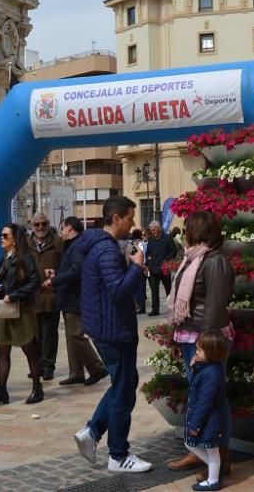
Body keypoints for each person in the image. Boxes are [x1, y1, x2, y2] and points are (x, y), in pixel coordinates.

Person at [73, 196, 152, 473]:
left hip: (108, 327)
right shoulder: (106, 250)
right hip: (114, 331)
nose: (133, 223)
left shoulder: (98, 245)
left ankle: (92, 432)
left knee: (123, 385)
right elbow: (118, 290)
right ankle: (118, 455)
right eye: (130, 218)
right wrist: (137, 266)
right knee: (123, 392)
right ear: (116, 218)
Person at [164, 211, 235, 479]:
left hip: (206, 339)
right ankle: (200, 451)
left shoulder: (215, 261)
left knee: (213, 398)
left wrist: (206, 350)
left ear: (198, 232)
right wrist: (175, 335)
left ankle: (221, 457)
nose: (185, 234)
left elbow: (215, 307)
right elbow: (183, 302)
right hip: (190, 335)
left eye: (188, 229)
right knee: (198, 396)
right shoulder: (193, 258)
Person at [0, 223, 42, 406]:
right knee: (3, 350)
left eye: (5, 236)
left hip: (21, 309)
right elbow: (5, 281)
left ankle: (37, 387)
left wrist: (15, 295)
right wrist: (0, 291)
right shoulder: (5, 258)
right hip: (5, 309)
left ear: (15, 239)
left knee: (29, 349)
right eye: (1, 235)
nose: (1, 238)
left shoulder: (25, 258)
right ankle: (1, 390)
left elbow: (35, 281)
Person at [51, 217, 107, 386]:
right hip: (69, 297)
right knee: (70, 336)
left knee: (76, 335)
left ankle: (97, 368)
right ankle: (76, 372)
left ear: (69, 228)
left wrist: (55, 280)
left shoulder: (76, 246)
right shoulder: (72, 245)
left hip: (75, 297)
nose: (61, 231)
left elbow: (77, 270)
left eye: (63, 228)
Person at [182, 331, 230, 492]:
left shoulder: (213, 373)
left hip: (211, 419)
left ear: (211, 354)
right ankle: (214, 469)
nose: (196, 352)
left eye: (199, 350)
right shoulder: (208, 369)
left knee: (210, 448)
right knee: (195, 445)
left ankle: (213, 479)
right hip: (208, 418)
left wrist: (195, 425)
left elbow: (205, 402)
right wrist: (196, 366)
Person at [28, 212, 63, 381]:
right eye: (37, 225)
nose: (40, 227)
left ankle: (48, 365)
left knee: (49, 332)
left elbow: (65, 264)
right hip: (32, 295)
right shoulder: (26, 243)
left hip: (51, 295)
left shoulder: (57, 241)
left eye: (43, 223)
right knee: (35, 334)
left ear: (48, 224)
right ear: (32, 226)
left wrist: (57, 275)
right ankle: (37, 365)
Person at [145, 221, 176, 316]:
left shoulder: (167, 238)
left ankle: (172, 308)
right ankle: (155, 309)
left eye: (154, 230)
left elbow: (173, 250)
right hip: (153, 268)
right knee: (154, 290)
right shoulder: (150, 240)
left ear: (159, 228)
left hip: (164, 268)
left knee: (168, 289)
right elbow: (148, 253)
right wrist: (148, 263)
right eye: (152, 230)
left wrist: (166, 259)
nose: (153, 232)